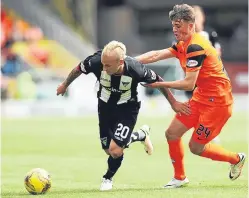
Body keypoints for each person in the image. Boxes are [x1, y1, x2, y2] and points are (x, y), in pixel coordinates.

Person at [135, 4, 246, 188]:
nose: (174, 29)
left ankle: (236, 159)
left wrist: (159, 84)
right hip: (202, 97)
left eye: (178, 25)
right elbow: (156, 55)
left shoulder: (195, 46)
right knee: (172, 133)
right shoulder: (183, 44)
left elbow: (188, 83)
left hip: (218, 104)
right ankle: (179, 177)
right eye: (173, 25)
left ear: (190, 24)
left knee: (195, 147)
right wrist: (128, 60)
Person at [56, 40, 190, 191]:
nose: (104, 68)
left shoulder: (135, 69)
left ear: (120, 62)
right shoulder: (95, 61)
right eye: (103, 64)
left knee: (115, 150)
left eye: (108, 65)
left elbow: (158, 81)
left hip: (127, 109)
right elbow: (77, 69)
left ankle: (107, 178)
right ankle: (140, 135)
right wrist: (64, 85)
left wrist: (173, 102)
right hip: (105, 108)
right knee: (108, 149)